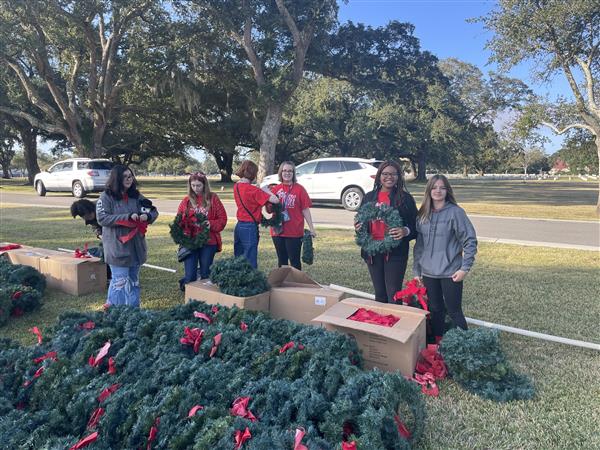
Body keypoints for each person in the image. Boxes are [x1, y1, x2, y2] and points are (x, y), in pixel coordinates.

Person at [413, 174, 477, 341]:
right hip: (428, 272)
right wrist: (416, 270)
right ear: (429, 191)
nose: (438, 191)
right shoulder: (422, 215)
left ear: (447, 190)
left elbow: (470, 240)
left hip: (451, 272)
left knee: (454, 311)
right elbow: (419, 246)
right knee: (435, 310)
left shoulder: (456, 213)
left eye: (442, 187)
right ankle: (437, 345)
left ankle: (466, 345)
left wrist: (464, 268)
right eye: (434, 187)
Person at [96, 164, 159, 307]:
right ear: (116, 179)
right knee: (119, 282)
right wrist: (127, 217)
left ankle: (133, 312)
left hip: (136, 248)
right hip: (117, 248)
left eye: (130, 176)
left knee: (133, 281)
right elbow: (102, 218)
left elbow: (153, 211)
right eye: (124, 177)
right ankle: (115, 313)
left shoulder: (136, 196)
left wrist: (147, 216)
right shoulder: (106, 196)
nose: (128, 179)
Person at [356, 161, 417, 303]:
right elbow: (361, 220)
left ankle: (395, 323)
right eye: (385, 174)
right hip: (372, 252)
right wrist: (359, 227)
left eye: (393, 174)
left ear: (399, 177)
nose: (389, 177)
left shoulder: (405, 199)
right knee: (380, 294)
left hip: (395, 253)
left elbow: (417, 226)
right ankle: (382, 324)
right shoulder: (369, 197)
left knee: (394, 294)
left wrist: (405, 231)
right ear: (379, 176)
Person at [177, 172, 227, 290]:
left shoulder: (213, 198)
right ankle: (189, 293)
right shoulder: (186, 201)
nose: (195, 189)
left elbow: (223, 219)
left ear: (204, 185)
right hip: (191, 242)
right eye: (193, 185)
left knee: (206, 274)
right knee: (190, 276)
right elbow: (178, 220)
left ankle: (204, 297)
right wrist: (185, 226)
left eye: (198, 185)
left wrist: (210, 223)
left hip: (208, 242)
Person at [269, 161, 316, 270]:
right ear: (281, 172)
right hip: (278, 231)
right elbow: (269, 210)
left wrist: (311, 228)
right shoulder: (276, 189)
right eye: (284, 170)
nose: (287, 173)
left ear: (293, 173)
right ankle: (283, 285)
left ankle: (297, 285)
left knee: (294, 261)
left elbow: (305, 210)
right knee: (282, 261)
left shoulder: (300, 189)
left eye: (290, 171)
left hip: (294, 231)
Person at [233, 160, 279, 269]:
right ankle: (251, 283)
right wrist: (265, 190)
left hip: (239, 225)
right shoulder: (254, 190)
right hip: (250, 226)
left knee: (239, 257)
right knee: (250, 259)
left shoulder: (236, 186)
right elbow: (275, 200)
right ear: (253, 173)